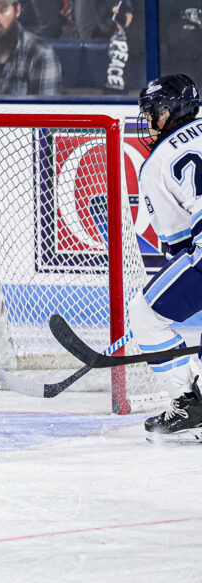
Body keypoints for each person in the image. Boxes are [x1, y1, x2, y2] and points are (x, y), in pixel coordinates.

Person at [124, 74, 202, 442]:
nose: (149, 121)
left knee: (145, 314)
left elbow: (179, 245)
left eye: (151, 113)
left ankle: (188, 404)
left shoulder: (157, 162)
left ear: (167, 112)